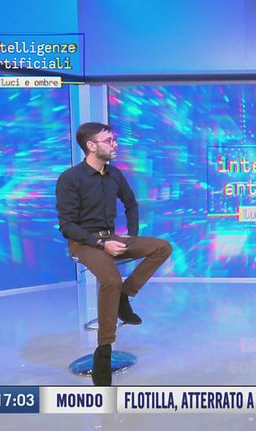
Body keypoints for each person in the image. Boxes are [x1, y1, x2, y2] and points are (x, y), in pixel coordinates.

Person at [56, 122, 172, 385]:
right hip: (83, 241)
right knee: (110, 279)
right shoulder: (70, 178)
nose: (115, 144)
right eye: (108, 140)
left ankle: (124, 296)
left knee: (162, 247)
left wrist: (131, 234)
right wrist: (100, 244)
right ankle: (104, 350)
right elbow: (67, 226)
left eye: (113, 140)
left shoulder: (114, 175)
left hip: (111, 237)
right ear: (91, 145)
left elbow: (131, 203)